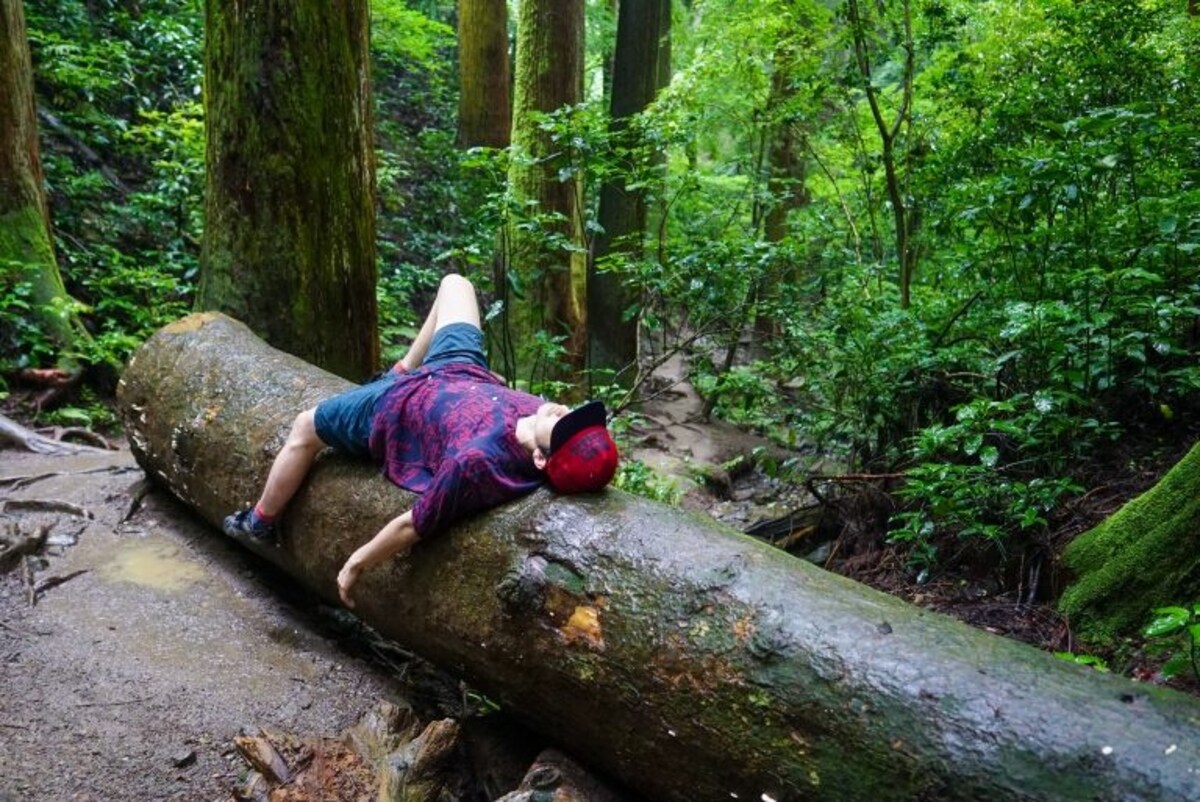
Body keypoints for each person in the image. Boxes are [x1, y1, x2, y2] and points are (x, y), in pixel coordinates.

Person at [222, 273, 619, 608]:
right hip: (458, 369)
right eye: (576, 416)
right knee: (455, 283)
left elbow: (415, 522)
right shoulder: (541, 413)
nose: (565, 413)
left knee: (304, 427)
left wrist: (356, 563)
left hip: (398, 407)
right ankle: (401, 367)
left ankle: (261, 521)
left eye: (566, 428)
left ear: (539, 459)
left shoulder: (479, 462)